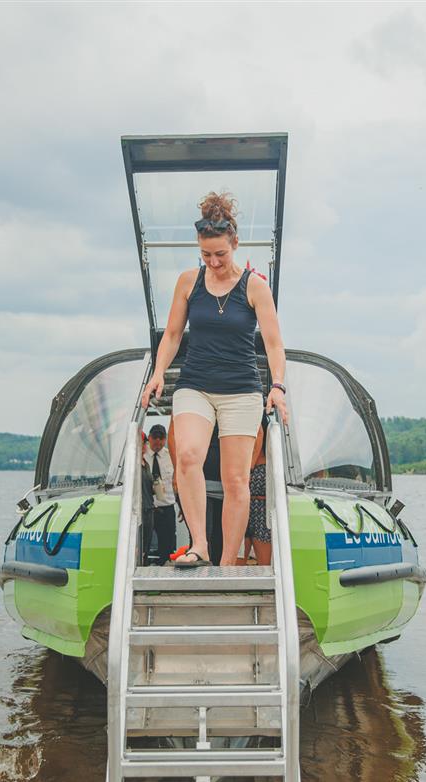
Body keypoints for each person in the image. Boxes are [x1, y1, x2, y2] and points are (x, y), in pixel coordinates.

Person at [141, 191, 288, 568]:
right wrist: (158, 372)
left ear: (235, 244)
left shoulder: (255, 287)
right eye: (206, 255)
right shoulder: (189, 282)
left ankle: (225, 563)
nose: (213, 262)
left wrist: (278, 386)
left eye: (220, 254)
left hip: (241, 389)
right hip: (196, 384)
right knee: (188, 456)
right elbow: (173, 335)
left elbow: (273, 344)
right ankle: (200, 546)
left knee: (235, 479)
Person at [143, 423, 177, 565]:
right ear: (149, 438)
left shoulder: (171, 457)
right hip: (148, 508)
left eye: (161, 438)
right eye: (155, 437)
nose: (158, 441)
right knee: (144, 542)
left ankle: (166, 570)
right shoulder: (142, 457)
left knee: (167, 544)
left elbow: (177, 482)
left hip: (167, 507)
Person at [242, 418, 271, 565]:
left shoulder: (272, 459)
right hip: (241, 512)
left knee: (265, 564)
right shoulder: (240, 456)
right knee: (236, 565)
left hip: (262, 515)